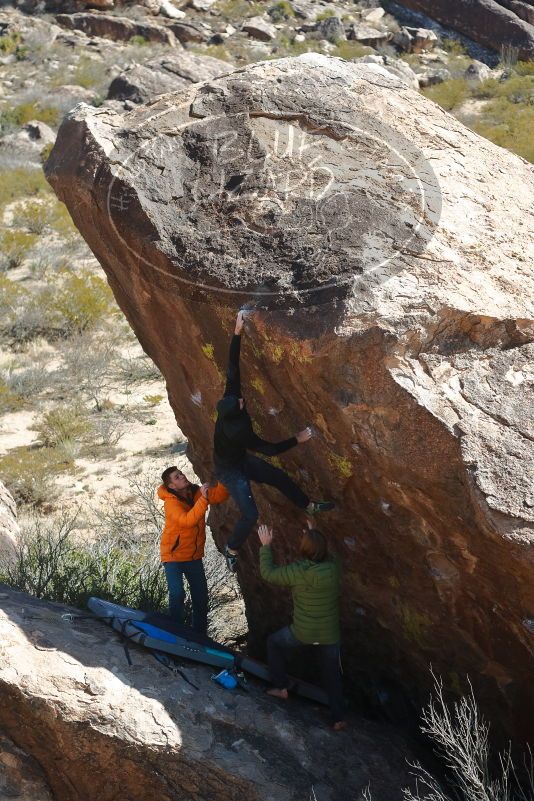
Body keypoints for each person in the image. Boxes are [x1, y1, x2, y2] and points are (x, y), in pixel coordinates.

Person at [213, 310, 334, 572]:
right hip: (230, 470)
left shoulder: (229, 402)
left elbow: (232, 368)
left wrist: (237, 332)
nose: (242, 400)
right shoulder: (237, 430)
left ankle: (308, 506)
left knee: (278, 477)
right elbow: (268, 448)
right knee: (251, 514)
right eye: (240, 403)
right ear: (234, 412)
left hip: (239, 459)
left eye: (238, 399)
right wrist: (297, 439)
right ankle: (232, 548)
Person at [258, 522, 346, 731]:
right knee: (332, 675)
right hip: (329, 634)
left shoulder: (298, 572)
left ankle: (280, 687)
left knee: (274, 643)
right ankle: (338, 718)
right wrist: (314, 534)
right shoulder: (335, 567)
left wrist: (265, 546)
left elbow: (268, 573)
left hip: (302, 632)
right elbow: (326, 554)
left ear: (304, 550)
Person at [158, 466, 228, 635]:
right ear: (172, 486)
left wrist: (225, 477)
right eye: (177, 477)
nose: (182, 476)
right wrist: (203, 500)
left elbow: (220, 495)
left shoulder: (195, 492)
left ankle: (199, 636)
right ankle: (174, 633)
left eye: (181, 473)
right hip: (173, 556)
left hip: (193, 557)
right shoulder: (171, 503)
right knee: (177, 594)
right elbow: (187, 521)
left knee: (201, 598)